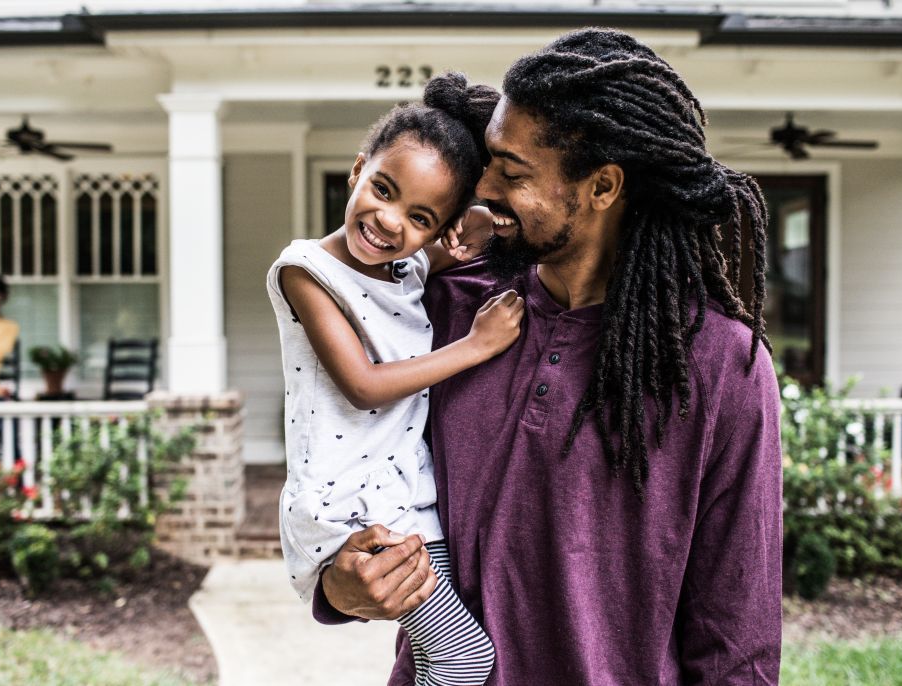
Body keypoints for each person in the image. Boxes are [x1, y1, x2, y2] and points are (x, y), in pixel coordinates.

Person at [313, 28, 784, 685]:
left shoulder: (719, 367)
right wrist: (340, 586)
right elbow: (344, 464)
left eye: (512, 172)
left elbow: (738, 643)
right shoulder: (448, 307)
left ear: (601, 187)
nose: (481, 186)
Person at [267, 73, 518, 686]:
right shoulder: (307, 270)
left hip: (397, 491)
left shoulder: (403, 264)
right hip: (350, 502)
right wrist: (476, 347)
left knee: (442, 658)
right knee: (463, 658)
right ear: (358, 170)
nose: (388, 220)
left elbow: (430, 255)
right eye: (382, 188)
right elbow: (365, 384)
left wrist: (483, 220)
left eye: (420, 216)